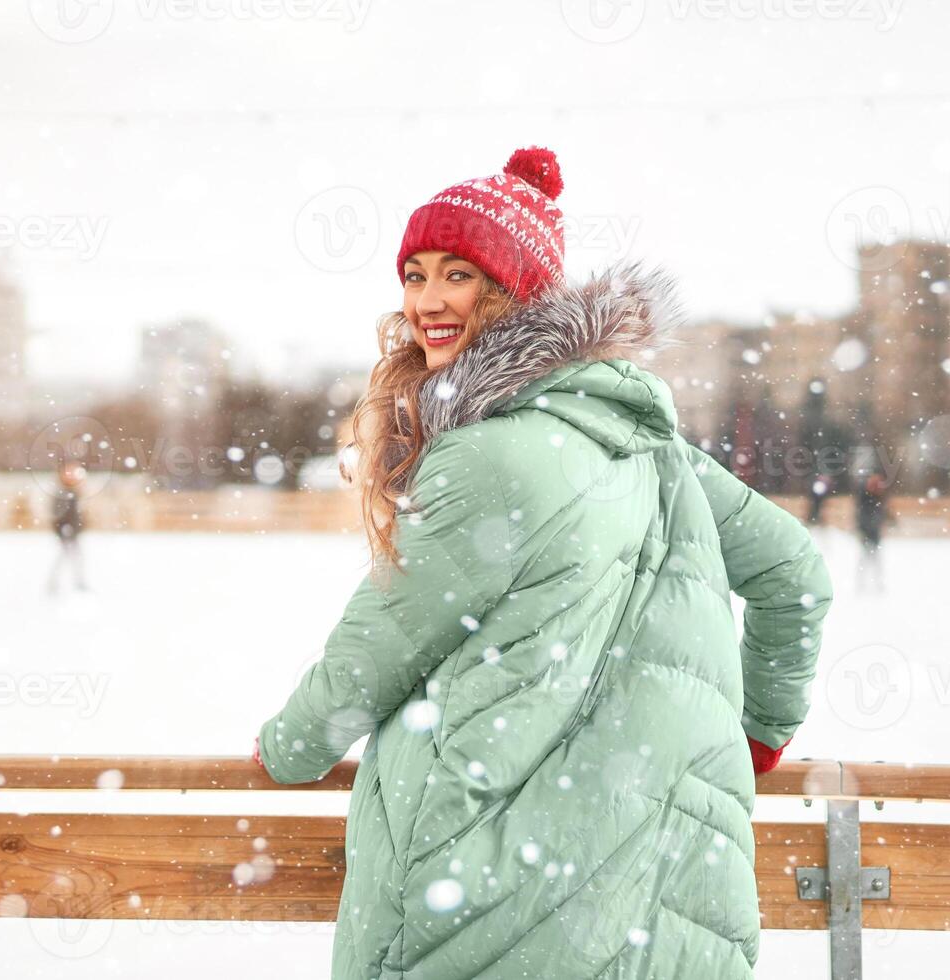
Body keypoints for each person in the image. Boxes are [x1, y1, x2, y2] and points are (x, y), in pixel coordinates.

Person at [254, 147, 834, 979]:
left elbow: (376, 647)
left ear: (513, 291)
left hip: (505, 902)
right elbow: (794, 578)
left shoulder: (488, 458)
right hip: (654, 892)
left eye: (458, 275)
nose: (425, 301)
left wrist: (289, 748)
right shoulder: (647, 443)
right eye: (413, 275)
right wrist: (759, 737)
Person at [46, 460, 89, 594]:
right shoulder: (61, 493)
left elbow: (78, 513)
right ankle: (56, 583)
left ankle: (74, 582)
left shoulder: (73, 492)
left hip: (72, 531)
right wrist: (64, 528)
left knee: (72, 557)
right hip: (66, 531)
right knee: (66, 557)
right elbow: (58, 513)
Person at [854, 469, 894, 594]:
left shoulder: (880, 498)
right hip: (866, 533)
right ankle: (861, 584)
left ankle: (878, 584)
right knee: (864, 560)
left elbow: (884, 514)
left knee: (876, 560)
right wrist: (861, 531)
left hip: (875, 534)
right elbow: (861, 517)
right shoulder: (865, 498)